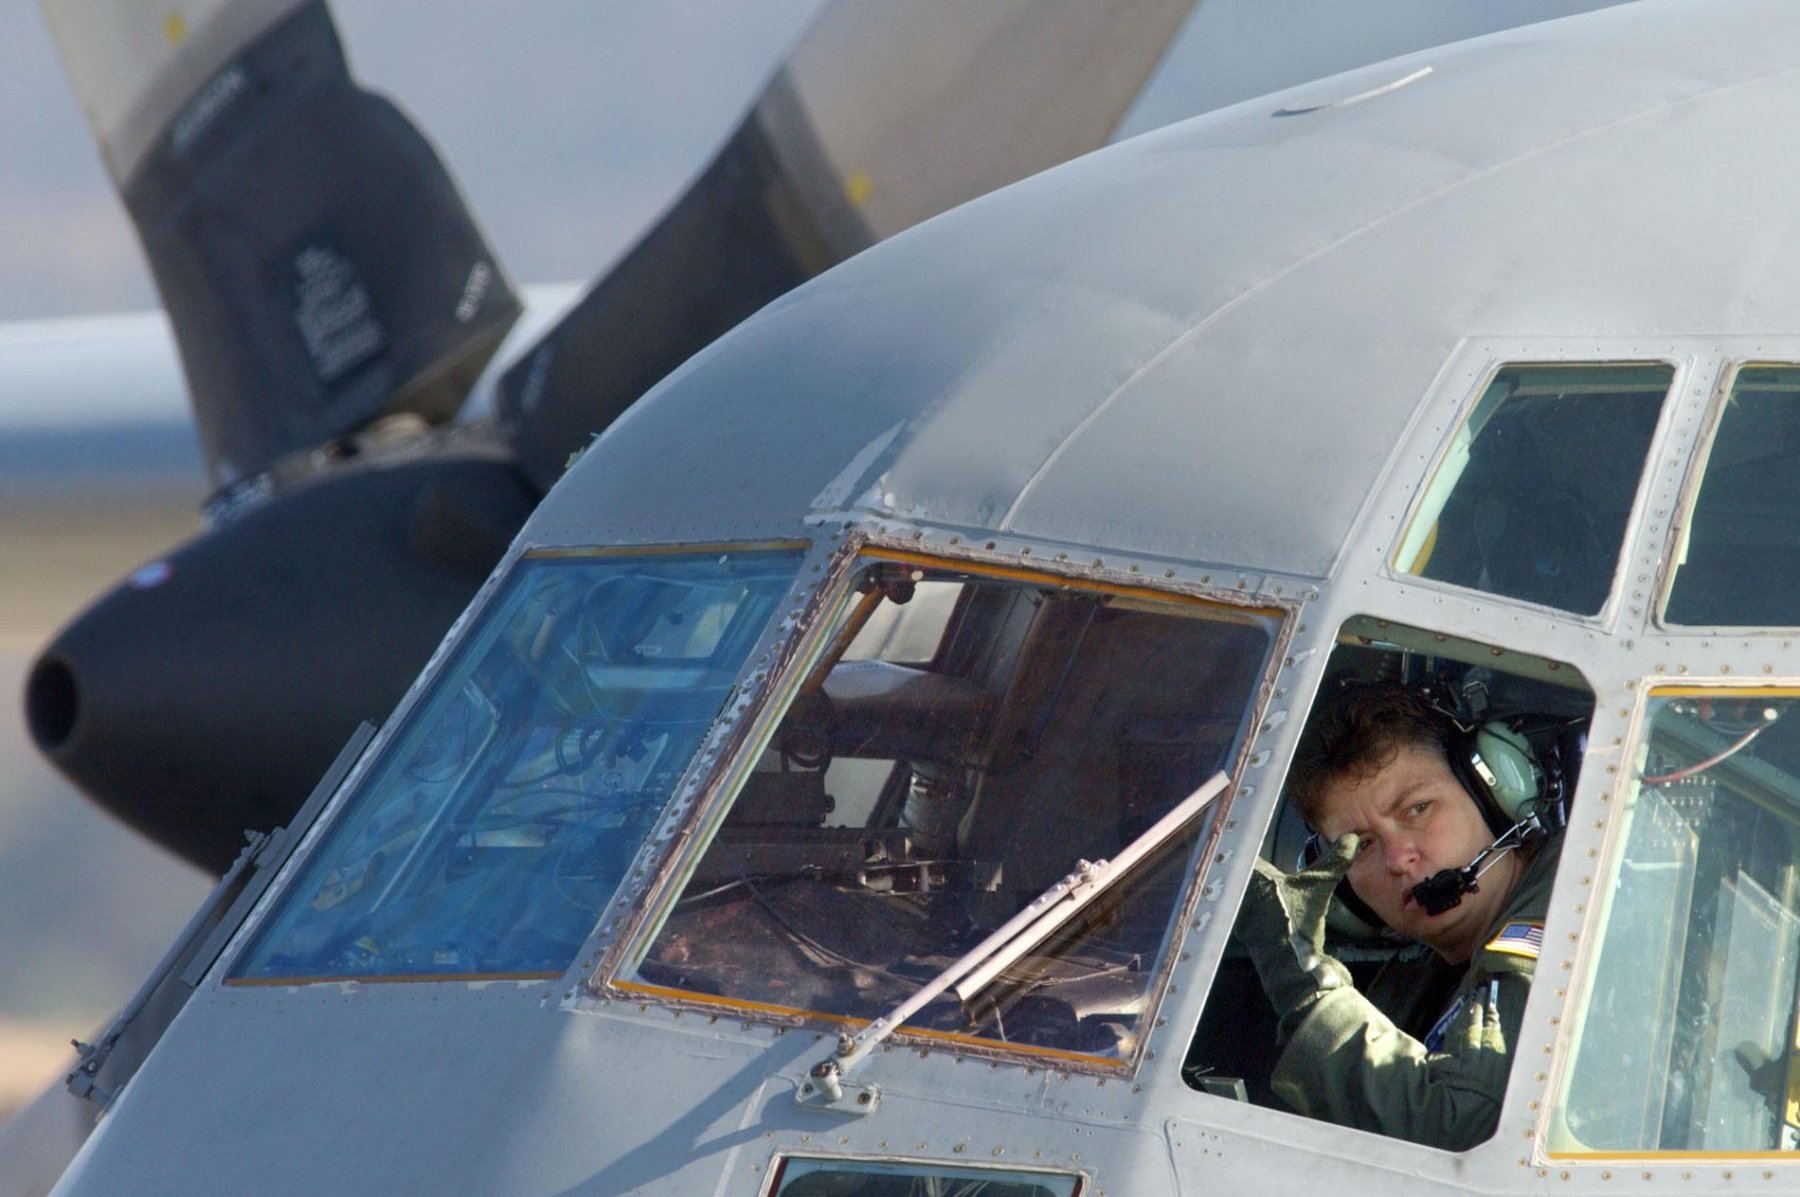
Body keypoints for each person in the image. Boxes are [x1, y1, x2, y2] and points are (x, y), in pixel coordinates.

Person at [1234, 683, 1562, 1151]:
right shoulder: (1420, 973)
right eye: (1362, 845)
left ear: (1493, 791)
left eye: (1417, 809)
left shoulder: (1566, 923)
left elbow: (1457, 1132)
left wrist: (1303, 978)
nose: (1398, 858)